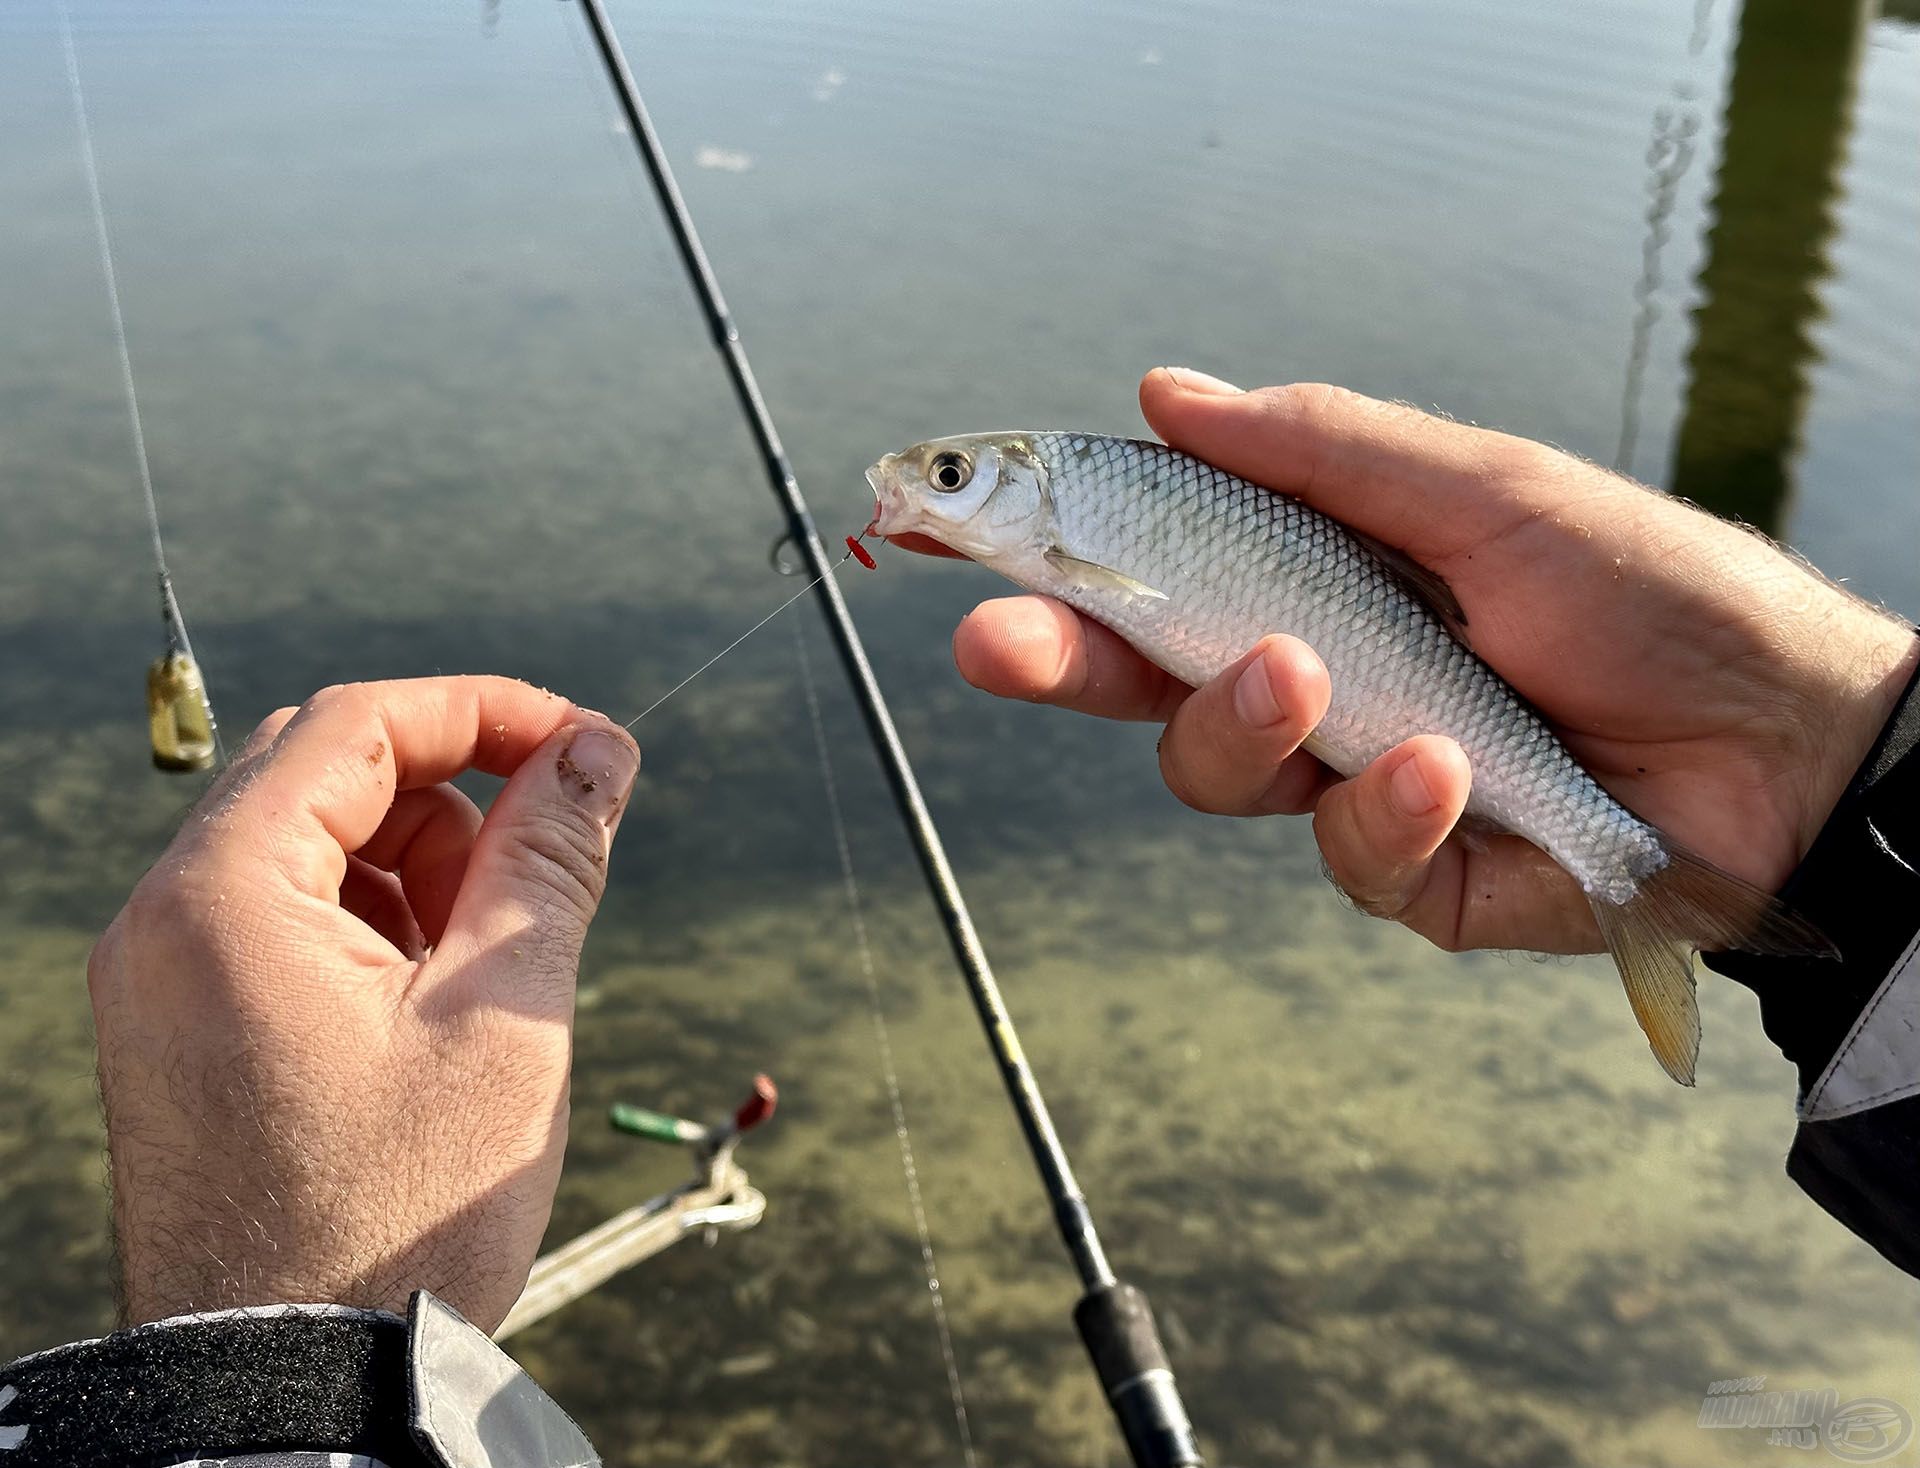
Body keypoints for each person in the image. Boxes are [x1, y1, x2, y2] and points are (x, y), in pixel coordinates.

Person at [3, 371, 1915, 1465]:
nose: (917, 493)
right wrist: (1842, 784)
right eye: (934, 482)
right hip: (1745, 797)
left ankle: (1681, 885)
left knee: (1383, 770)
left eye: (947, 481)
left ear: (1025, 492)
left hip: (1533, 736)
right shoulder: (1080, 524)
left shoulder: (1093, 503)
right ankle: (1740, 892)